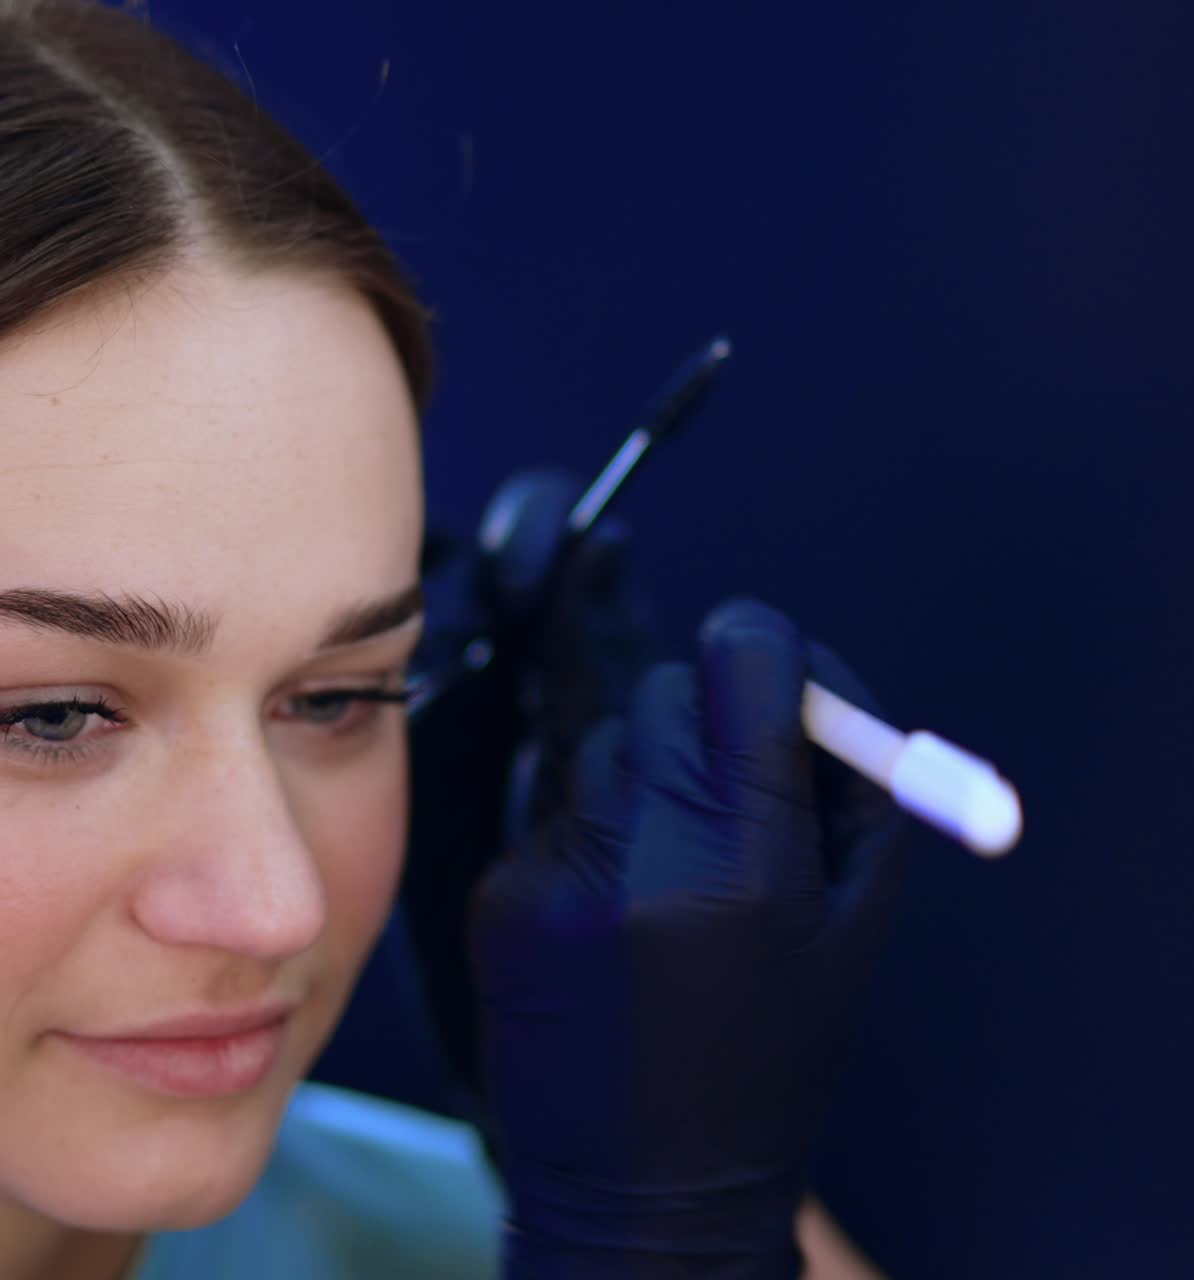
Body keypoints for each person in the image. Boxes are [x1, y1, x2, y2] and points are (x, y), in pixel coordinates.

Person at [0, 2, 906, 1277]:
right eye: (50, 716)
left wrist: (673, 1224)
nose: (277, 904)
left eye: (342, 697)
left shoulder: (434, 1233)